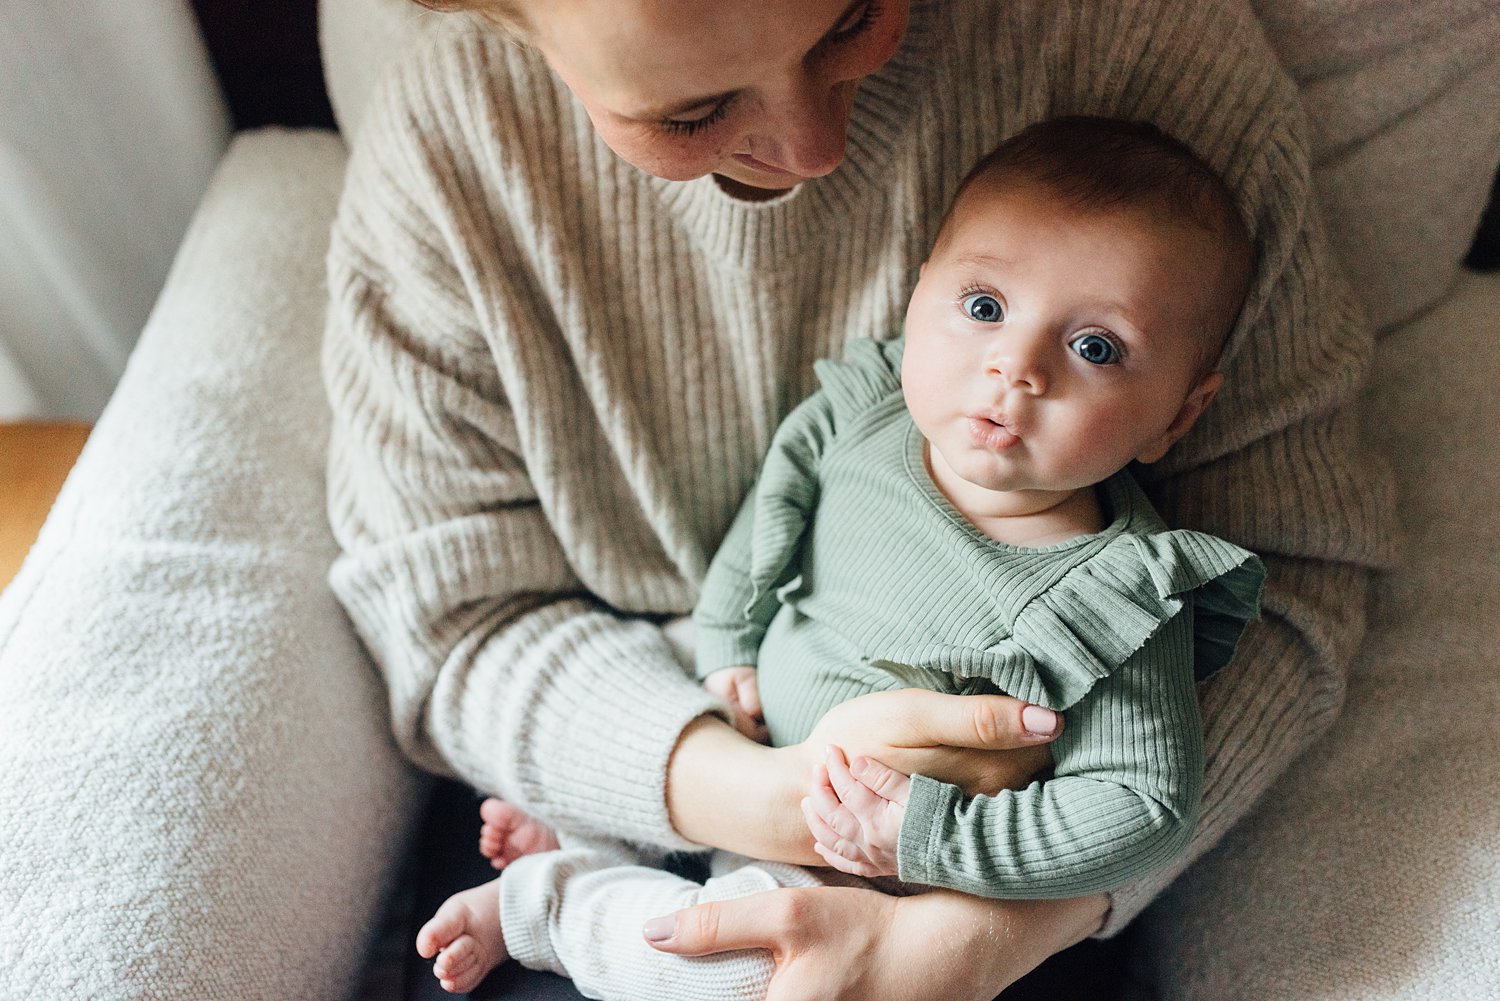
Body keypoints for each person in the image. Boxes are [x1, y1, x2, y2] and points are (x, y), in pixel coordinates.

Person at [321, 1, 1390, 997]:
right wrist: (760, 785)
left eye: (851, 19)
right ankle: (567, 884)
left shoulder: (1141, 45)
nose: (812, 150)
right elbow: (457, 614)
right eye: (692, 111)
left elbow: (1286, 591)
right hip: (639, 717)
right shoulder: (452, 151)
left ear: (1175, 413)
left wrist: (972, 927)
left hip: (960, 891)